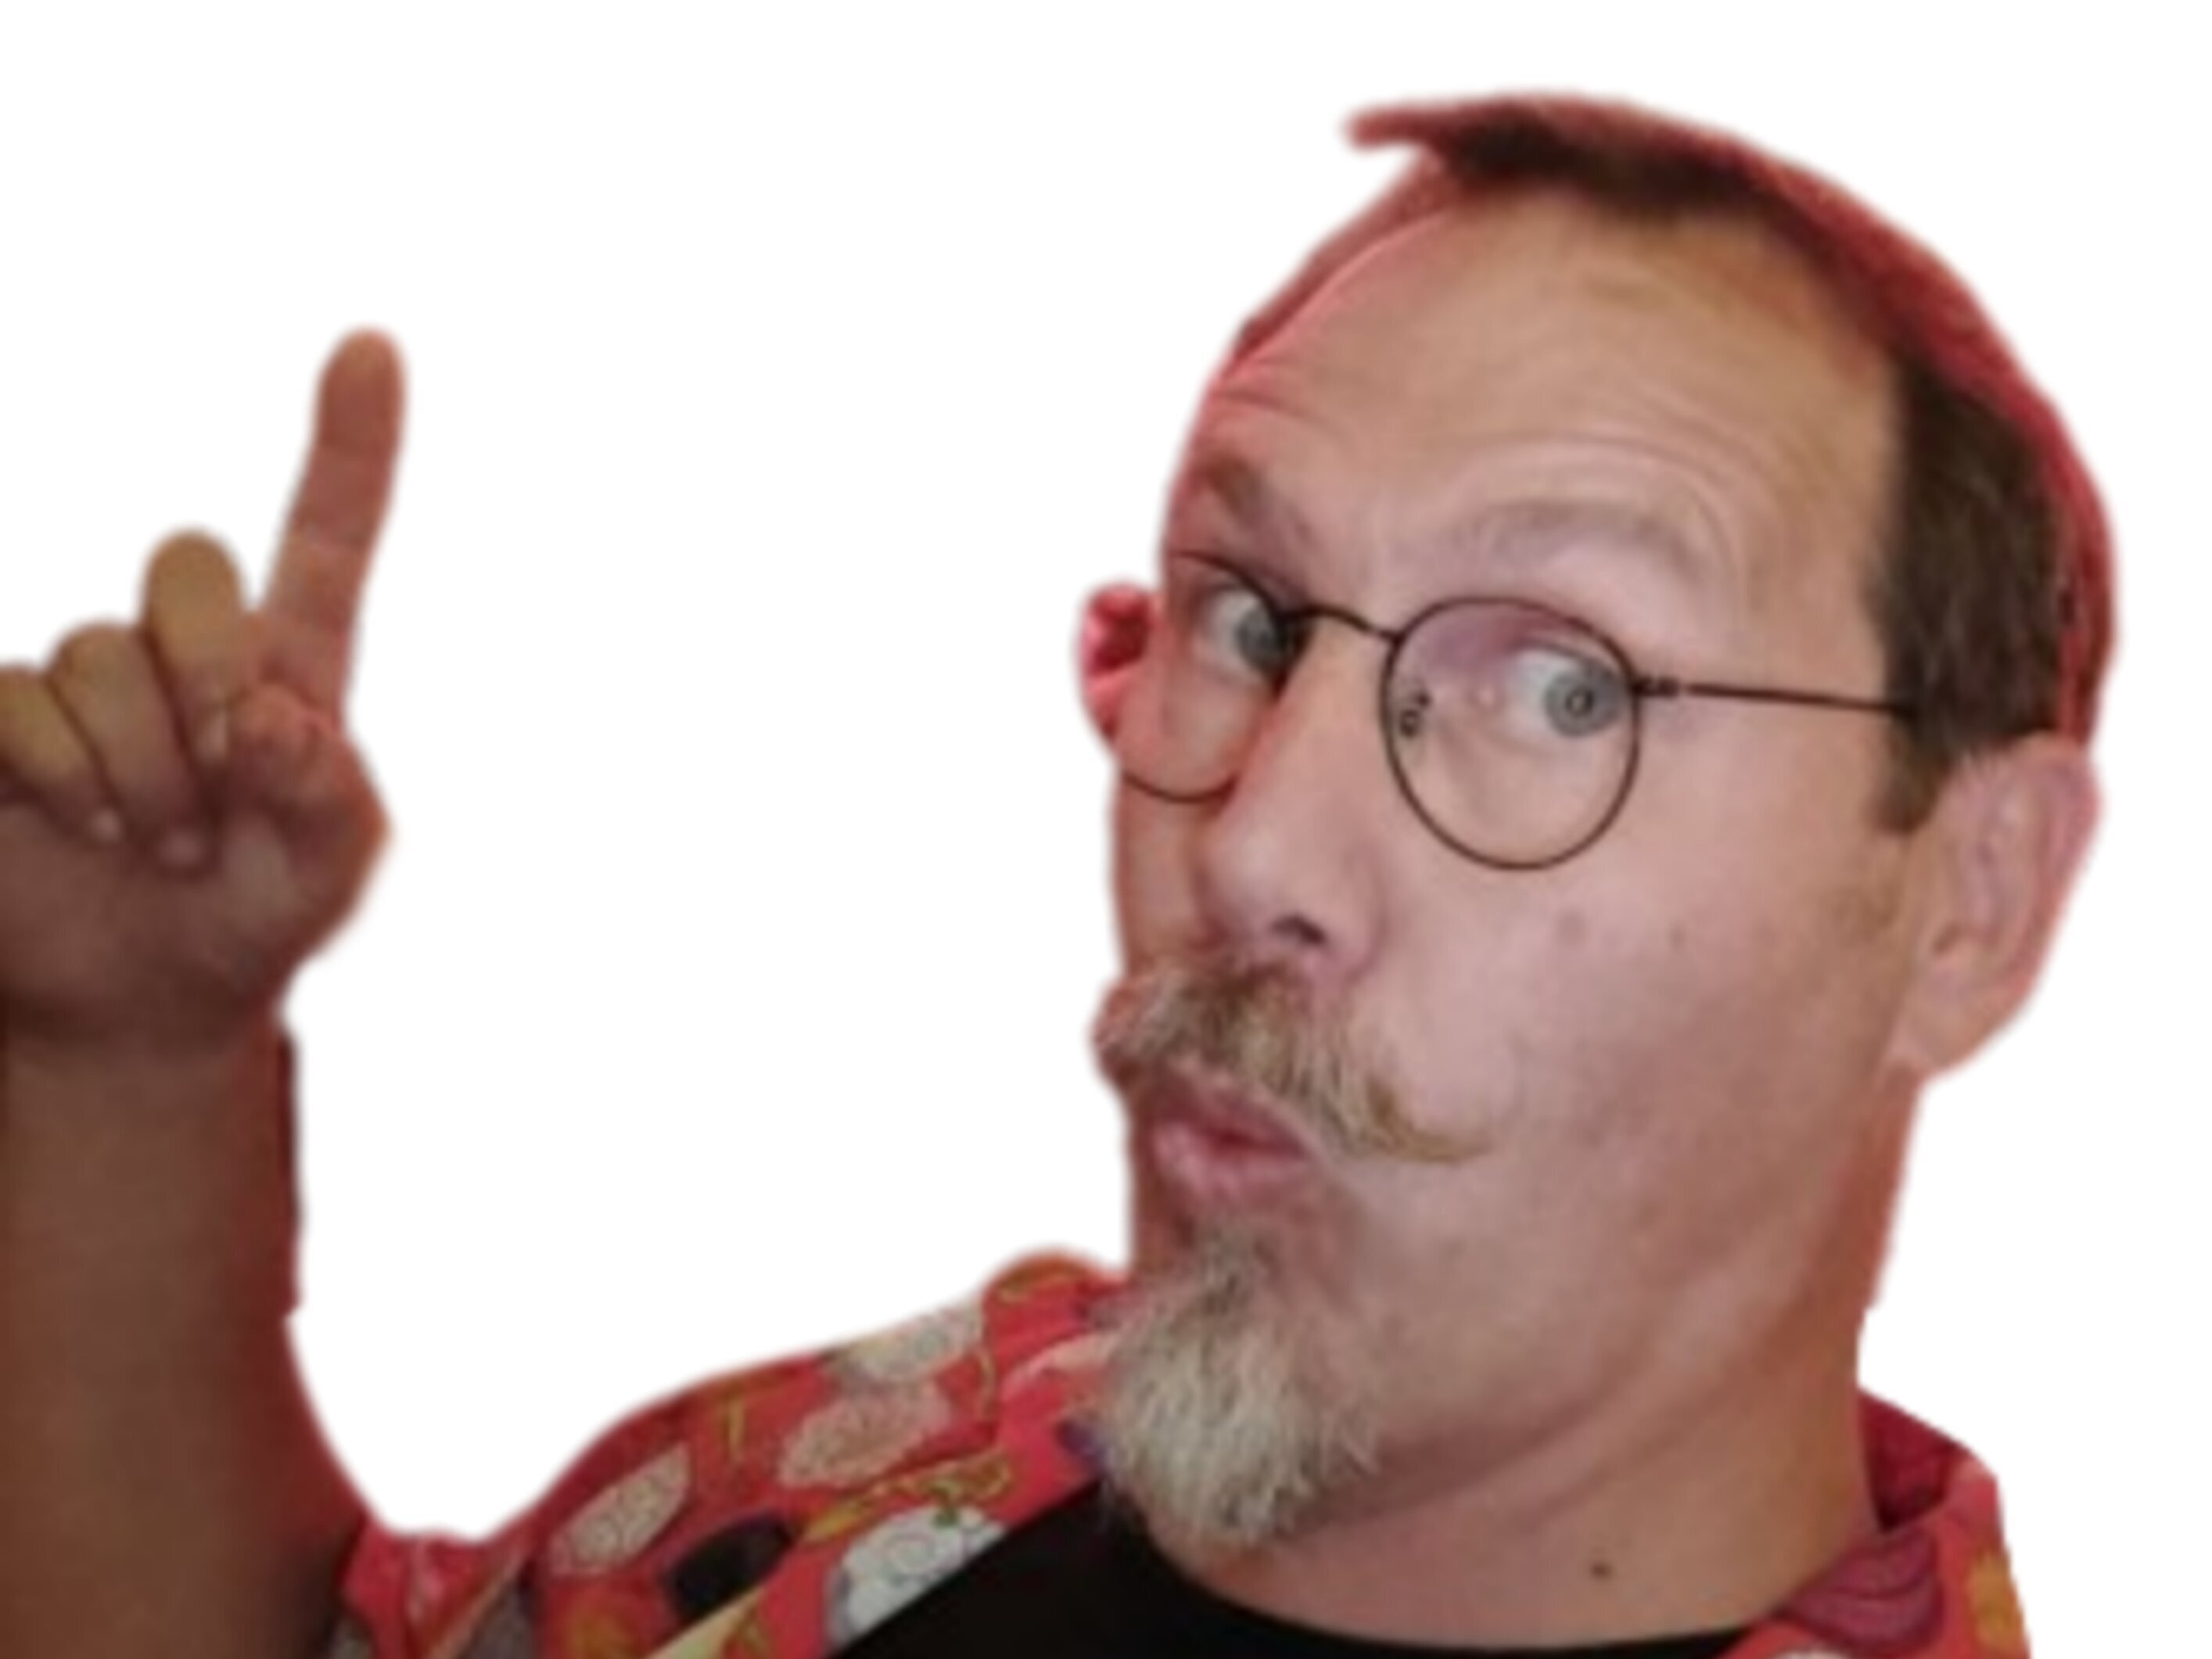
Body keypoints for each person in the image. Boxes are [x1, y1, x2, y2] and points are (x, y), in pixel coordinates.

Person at [0, 90, 2110, 1659]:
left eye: (1563, 689)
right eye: (1249, 618)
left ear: (1972, 898)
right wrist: (135, 1052)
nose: (1250, 846)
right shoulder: (938, 1441)